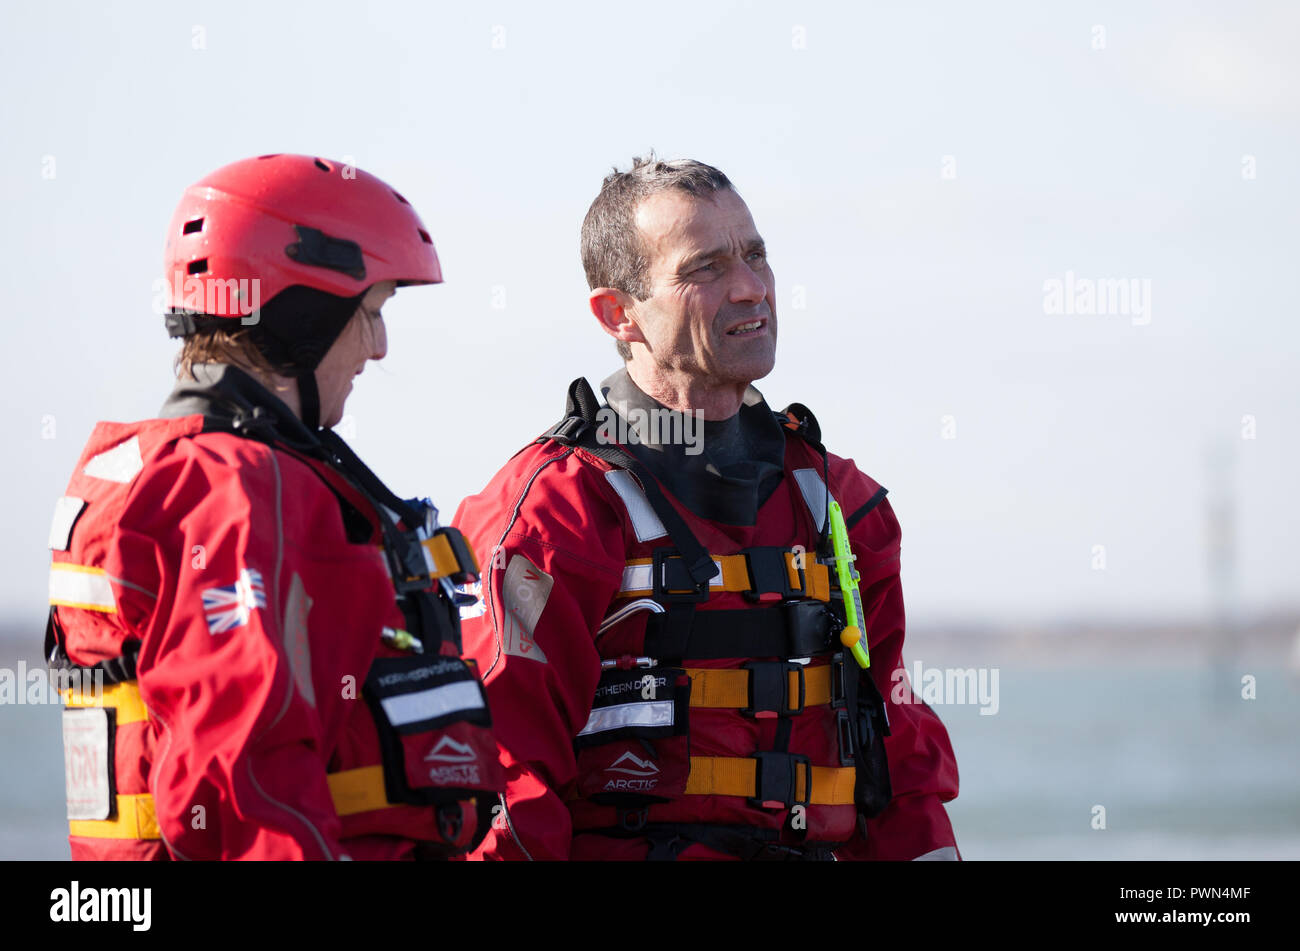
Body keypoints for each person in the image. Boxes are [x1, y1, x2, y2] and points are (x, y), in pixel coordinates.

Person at [453, 155, 960, 860]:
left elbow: (900, 757)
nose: (752, 289)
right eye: (706, 269)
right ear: (617, 314)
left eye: (756, 256)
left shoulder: (837, 500)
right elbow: (503, 779)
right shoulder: (555, 511)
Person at [45, 154, 500, 860]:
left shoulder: (184, 470)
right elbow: (238, 773)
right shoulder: (227, 489)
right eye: (370, 313)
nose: (379, 348)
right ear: (304, 315)